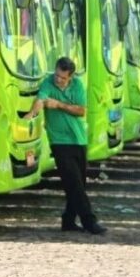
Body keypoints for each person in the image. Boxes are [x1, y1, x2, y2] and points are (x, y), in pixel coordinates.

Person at [25, 57, 106, 235]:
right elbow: (40, 100)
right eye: (57, 75)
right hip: (60, 142)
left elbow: (81, 110)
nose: (58, 79)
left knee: (78, 184)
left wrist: (59, 105)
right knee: (75, 184)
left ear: (70, 77)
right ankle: (89, 222)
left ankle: (68, 220)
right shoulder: (48, 83)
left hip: (79, 139)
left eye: (62, 77)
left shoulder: (77, 85)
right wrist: (32, 113)